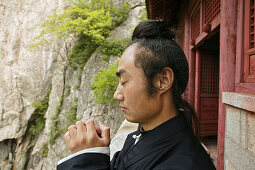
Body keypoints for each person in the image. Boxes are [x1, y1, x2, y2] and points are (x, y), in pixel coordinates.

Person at [57, 20, 216, 170]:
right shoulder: (138, 137)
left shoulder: (183, 164)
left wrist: (85, 159)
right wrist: (97, 151)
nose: (117, 95)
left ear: (163, 81)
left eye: (124, 81)